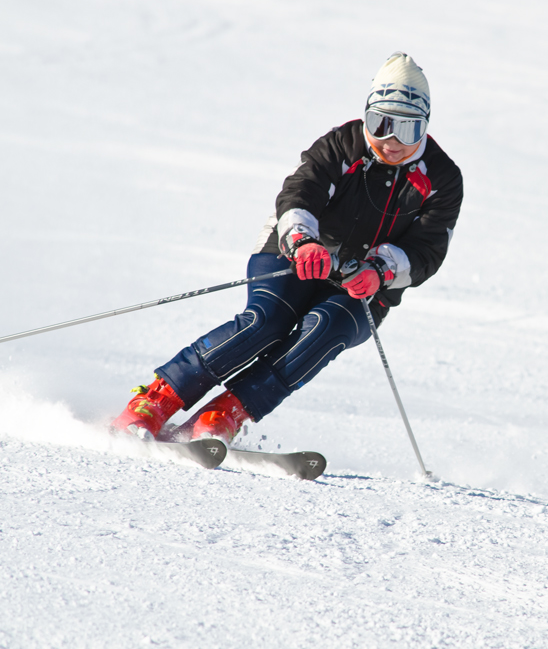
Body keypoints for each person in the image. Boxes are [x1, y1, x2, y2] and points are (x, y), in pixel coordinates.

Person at [110, 52, 463, 446]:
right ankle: (156, 401)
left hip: (365, 285)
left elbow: (427, 250)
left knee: (323, 331)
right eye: (380, 124)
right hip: (296, 255)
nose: (392, 141)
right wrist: (302, 241)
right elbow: (300, 192)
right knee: (267, 322)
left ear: (425, 128)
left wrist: (380, 271)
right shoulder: (342, 145)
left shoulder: (442, 178)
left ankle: (223, 415)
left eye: (408, 130)